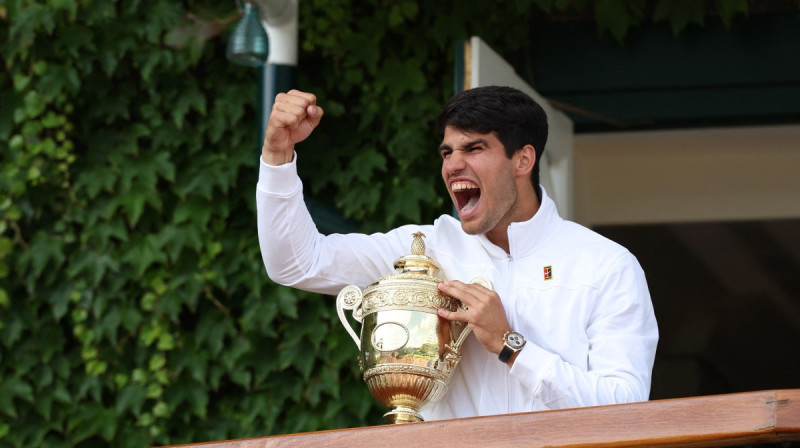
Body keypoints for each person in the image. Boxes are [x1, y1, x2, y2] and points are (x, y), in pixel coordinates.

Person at [256, 86, 658, 420]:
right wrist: (277, 155)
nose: (453, 165)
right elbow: (297, 263)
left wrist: (510, 344)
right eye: (447, 152)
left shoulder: (606, 264)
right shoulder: (422, 250)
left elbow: (625, 406)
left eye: (474, 148)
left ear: (523, 159)